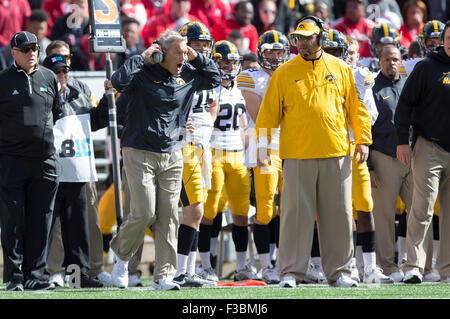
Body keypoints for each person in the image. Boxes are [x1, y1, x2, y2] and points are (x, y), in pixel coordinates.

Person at [255, 16, 372, 288]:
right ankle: (290, 273)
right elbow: (267, 115)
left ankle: (341, 272)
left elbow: (356, 108)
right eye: (299, 38)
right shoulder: (284, 72)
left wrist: (363, 140)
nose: (303, 43)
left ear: (321, 38)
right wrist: (261, 147)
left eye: (308, 38)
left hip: (337, 151)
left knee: (340, 215)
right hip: (296, 154)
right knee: (295, 216)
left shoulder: (341, 68)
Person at [109, 29, 221, 290]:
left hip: (172, 151)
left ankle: (163, 276)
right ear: (161, 53)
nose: (183, 57)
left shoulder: (188, 74)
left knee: (170, 215)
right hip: (139, 150)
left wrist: (196, 57)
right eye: (178, 52)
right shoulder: (142, 72)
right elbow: (119, 82)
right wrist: (141, 57)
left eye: (185, 52)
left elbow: (215, 78)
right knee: (145, 212)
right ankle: (120, 257)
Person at [323, 31, 394, 284]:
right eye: (328, 51)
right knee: (338, 210)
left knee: (364, 204)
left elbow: (370, 114)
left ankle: (369, 267)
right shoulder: (317, 74)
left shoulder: (360, 76)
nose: (333, 56)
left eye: (336, 51)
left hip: (353, 145)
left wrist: (358, 135)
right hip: (330, 148)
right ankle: (346, 265)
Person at [44, 40, 114, 288]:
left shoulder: (82, 87)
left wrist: (108, 99)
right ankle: (54, 271)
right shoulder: (42, 87)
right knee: (55, 223)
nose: (63, 68)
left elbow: (94, 120)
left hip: (81, 162)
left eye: (67, 62)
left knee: (87, 221)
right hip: (54, 164)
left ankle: (89, 271)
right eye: (57, 61)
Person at [0, 31, 61, 291]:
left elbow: (56, 112)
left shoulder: (49, 76)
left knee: (41, 219)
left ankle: (35, 275)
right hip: (11, 160)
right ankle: (14, 277)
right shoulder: (2, 81)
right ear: (13, 52)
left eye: (35, 48)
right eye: (25, 49)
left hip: (45, 161)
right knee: (13, 220)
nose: (32, 53)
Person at [394, 20, 450, 284]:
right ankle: (413, 266)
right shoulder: (426, 67)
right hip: (429, 145)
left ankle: (448, 269)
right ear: (443, 40)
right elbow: (404, 104)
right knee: (422, 208)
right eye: (448, 37)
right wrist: (402, 141)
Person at [197, 40, 256, 282]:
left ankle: (241, 266)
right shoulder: (208, 88)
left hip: (237, 156)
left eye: (233, 62)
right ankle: (205, 265)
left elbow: (245, 125)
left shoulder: (242, 88)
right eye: (225, 61)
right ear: (215, 62)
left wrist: (249, 151)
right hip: (215, 152)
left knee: (241, 214)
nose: (230, 66)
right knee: (209, 213)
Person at [237, 30, 290, 285]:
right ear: (261, 52)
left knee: (289, 209)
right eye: (270, 51)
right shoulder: (250, 76)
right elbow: (259, 115)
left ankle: (284, 262)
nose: (275, 56)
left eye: (279, 51)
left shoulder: (293, 72)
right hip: (265, 143)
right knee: (266, 209)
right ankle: (267, 265)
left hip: (293, 144)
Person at [172, 21, 219, 288]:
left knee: (197, 211)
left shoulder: (206, 71)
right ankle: (181, 271)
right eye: (195, 46)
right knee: (194, 208)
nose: (199, 51)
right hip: (184, 145)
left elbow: (213, 102)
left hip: (202, 145)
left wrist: (206, 125)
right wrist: (182, 122)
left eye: (204, 46)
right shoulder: (179, 72)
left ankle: (187, 271)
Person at [368, 44, 413, 283]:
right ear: (379, 61)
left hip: (412, 157)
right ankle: (387, 265)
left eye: (395, 59)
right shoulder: (372, 88)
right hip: (383, 156)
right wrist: (369, 166)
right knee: (384, 216)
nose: (391, 63)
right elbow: (365, 130)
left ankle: (417, 264)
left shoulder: (409, 85)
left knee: (418, 212)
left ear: (401, 60)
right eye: (386, 59)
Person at [49, 0, 90, 71]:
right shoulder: (61, 22)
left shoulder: (90, 24)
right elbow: (53, 45)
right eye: (76, 6)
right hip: (63, 63)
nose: (79, 10)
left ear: (87, 7)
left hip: (86, 65)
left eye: (82, 6)